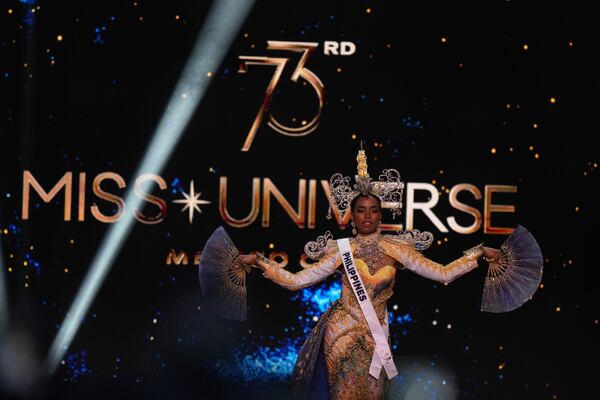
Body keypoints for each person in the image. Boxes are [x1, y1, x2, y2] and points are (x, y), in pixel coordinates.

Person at [235, 148, 499, 400]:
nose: (367, 216)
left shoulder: (397, 249)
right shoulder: (341, 250)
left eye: (373, 210)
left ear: (380, 214)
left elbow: (442, 274)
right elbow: (296, 281)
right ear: (352, 215)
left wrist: (477, 254)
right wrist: (259, 261)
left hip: (377, 336)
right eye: (361, 210)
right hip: (341, 333)